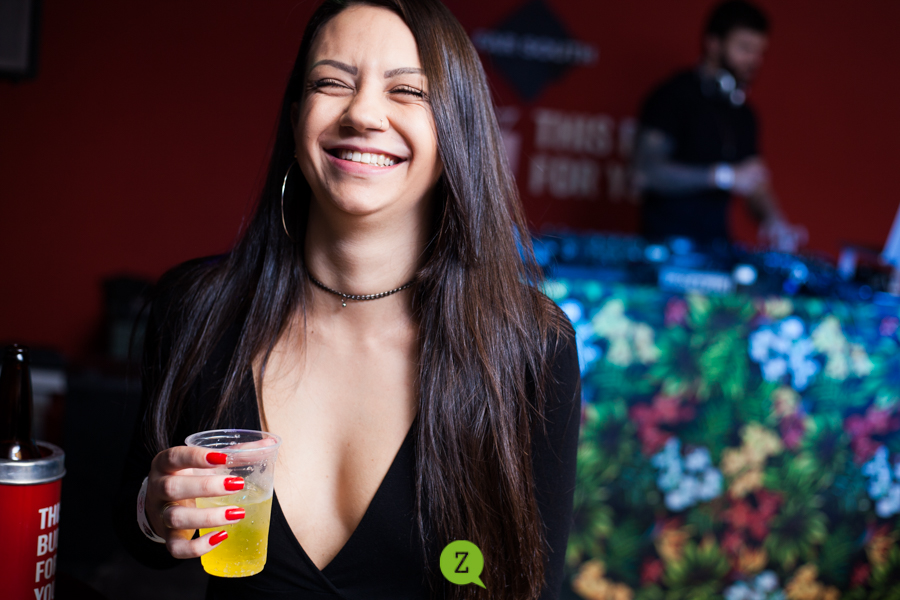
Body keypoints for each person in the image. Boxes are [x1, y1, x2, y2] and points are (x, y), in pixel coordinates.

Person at [113, 1, 581, 599]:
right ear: (296, 118)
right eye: (331, 83)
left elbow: (528, 588)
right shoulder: (197, 309)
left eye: (408, 91)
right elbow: (139, 535)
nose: (362, 113)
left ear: (455, 131)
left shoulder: (528, 348)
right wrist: (155, 513)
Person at [634, 0, 806, 251]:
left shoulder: (743, 114)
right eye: (745, 48)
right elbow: (646, 172)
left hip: (718, 249)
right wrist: (722, 176)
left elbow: (755, 182)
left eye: (759, 52)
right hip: (666, 249)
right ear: (713, 44)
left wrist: (775, 222)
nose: (754, 60)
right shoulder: (672, 96)